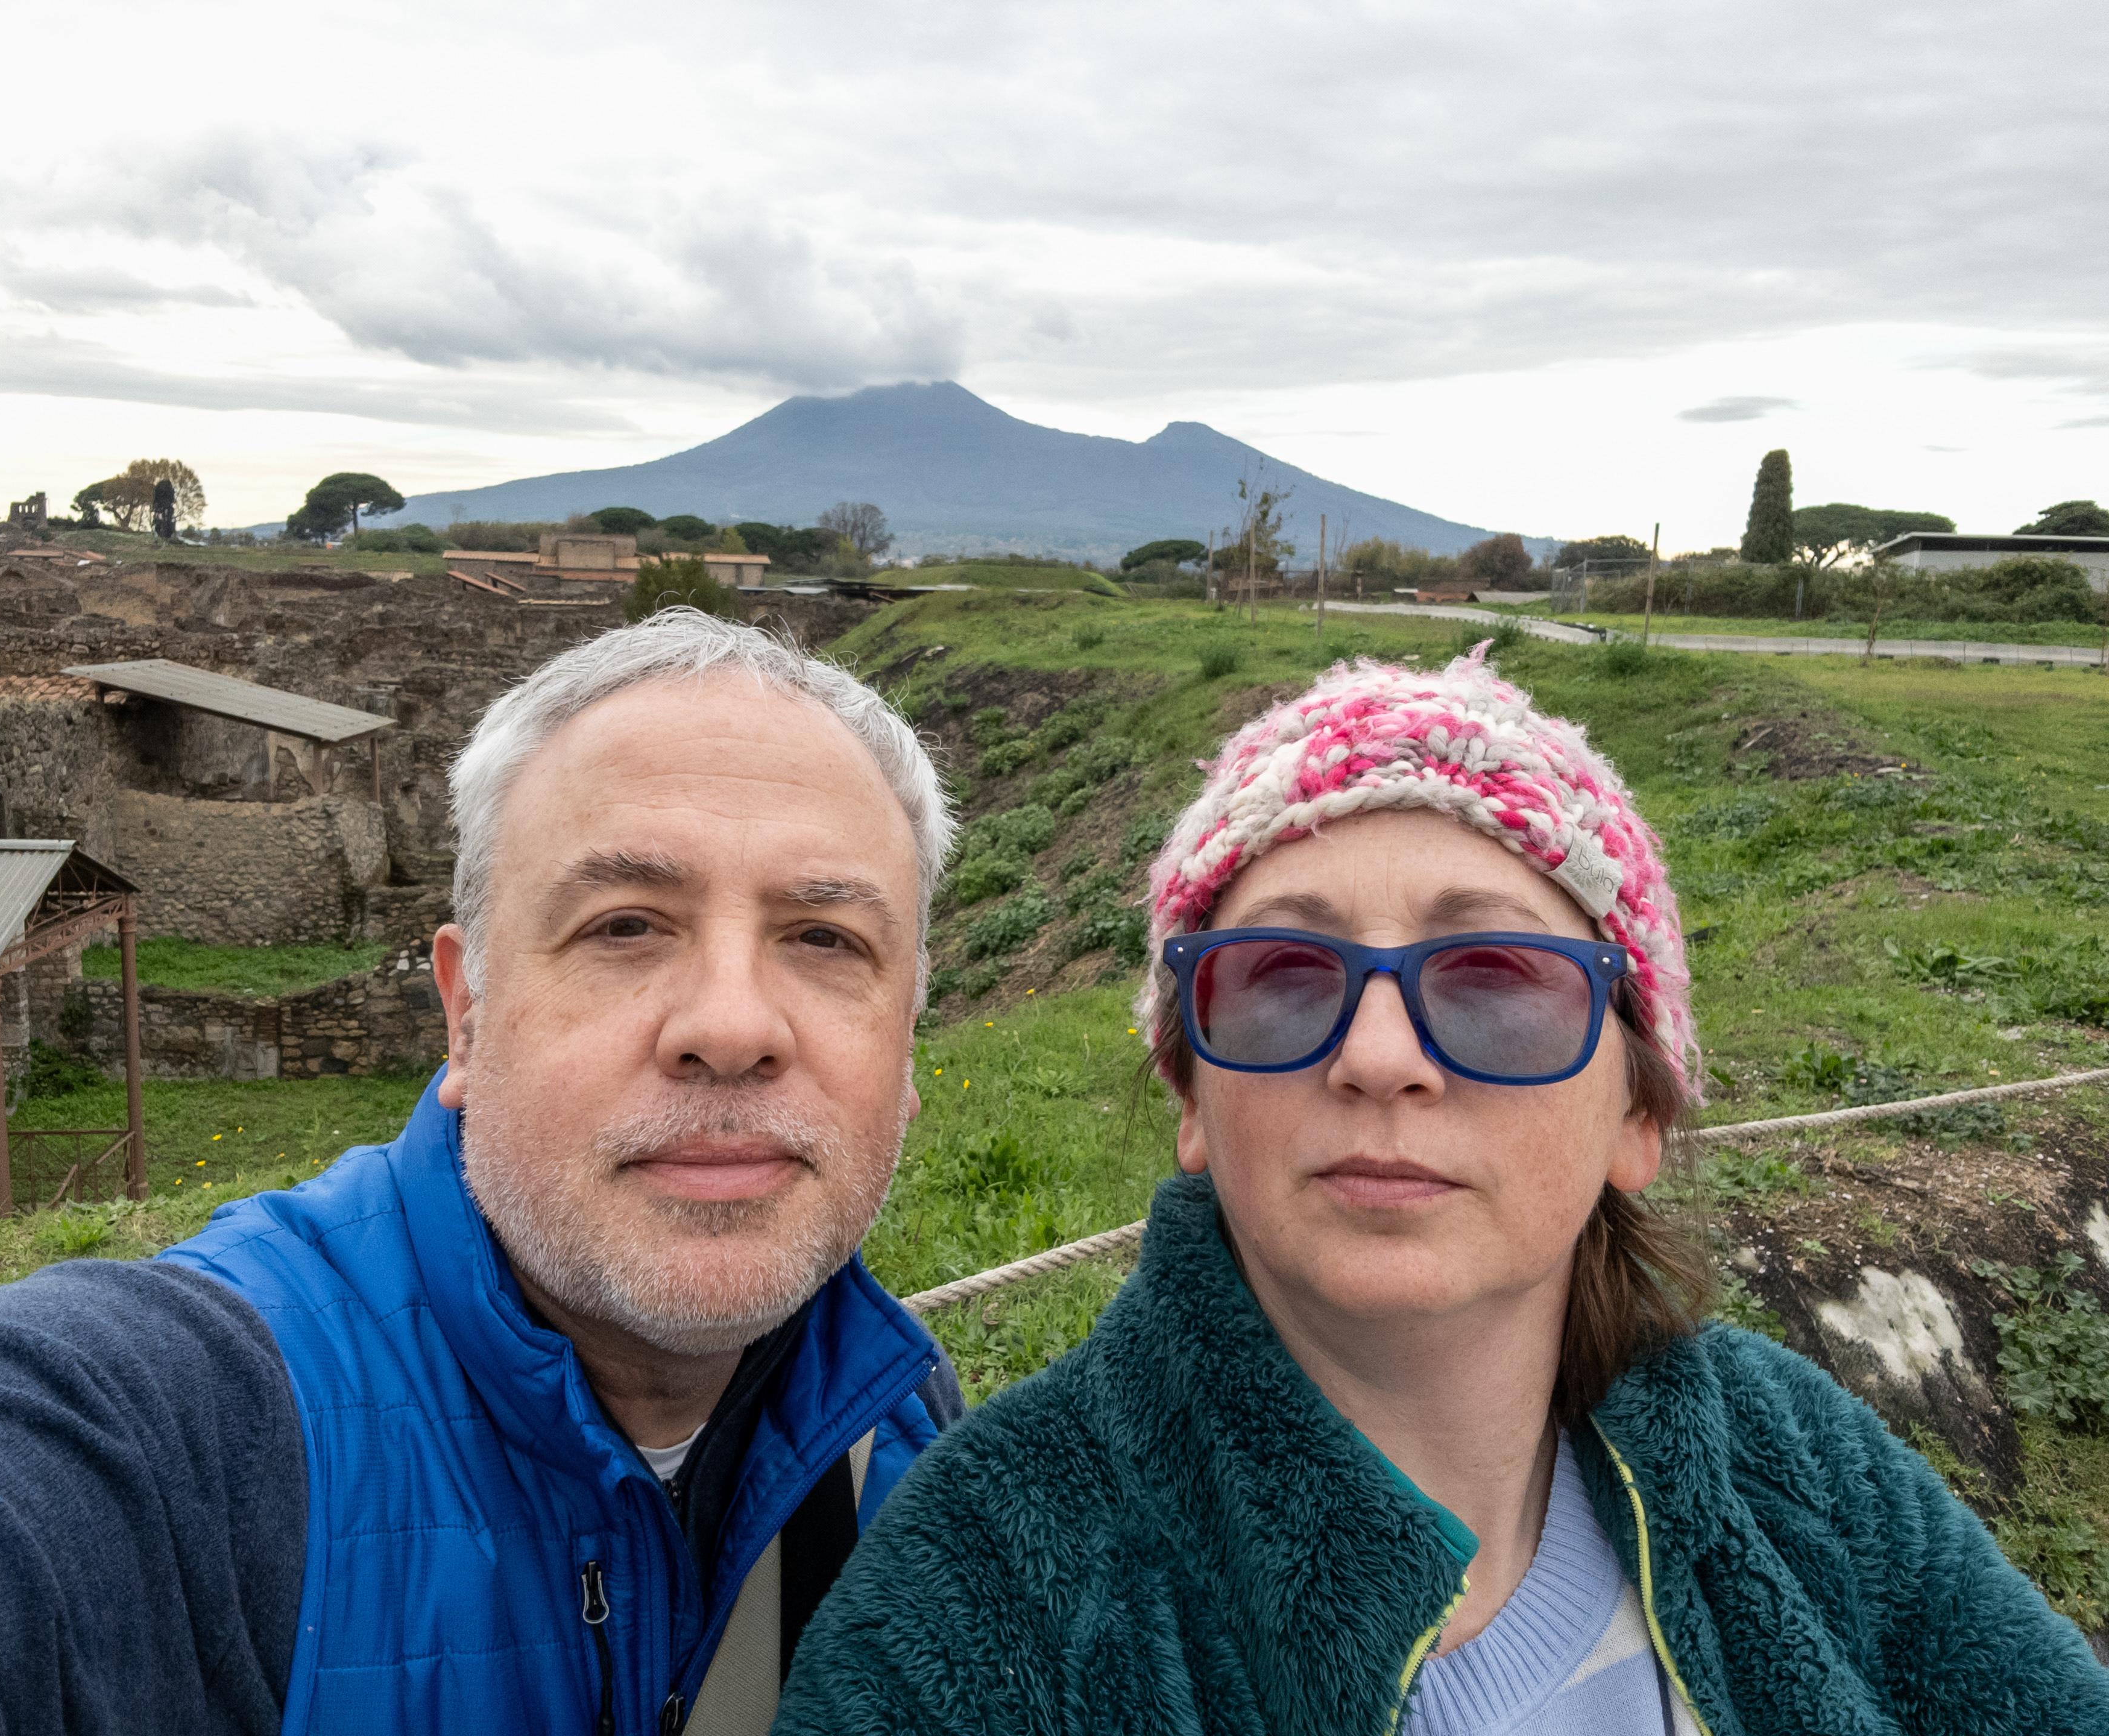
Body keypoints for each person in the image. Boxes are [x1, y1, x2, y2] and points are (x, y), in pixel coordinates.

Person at [777, 646, 2109, 1735]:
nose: (1379, 1057)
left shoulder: (1791, 1465)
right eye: (1285, 976)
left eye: (1497, 985)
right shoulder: (984, 1593)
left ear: (1636, 1113)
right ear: (1192, 1099)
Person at [0, 609, 965, 1735]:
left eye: (825, 939)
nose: (730, 1023)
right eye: (624, 925)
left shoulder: (905, 1433)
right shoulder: (207, 1433)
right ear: (464, 1014)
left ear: (907, 1045)